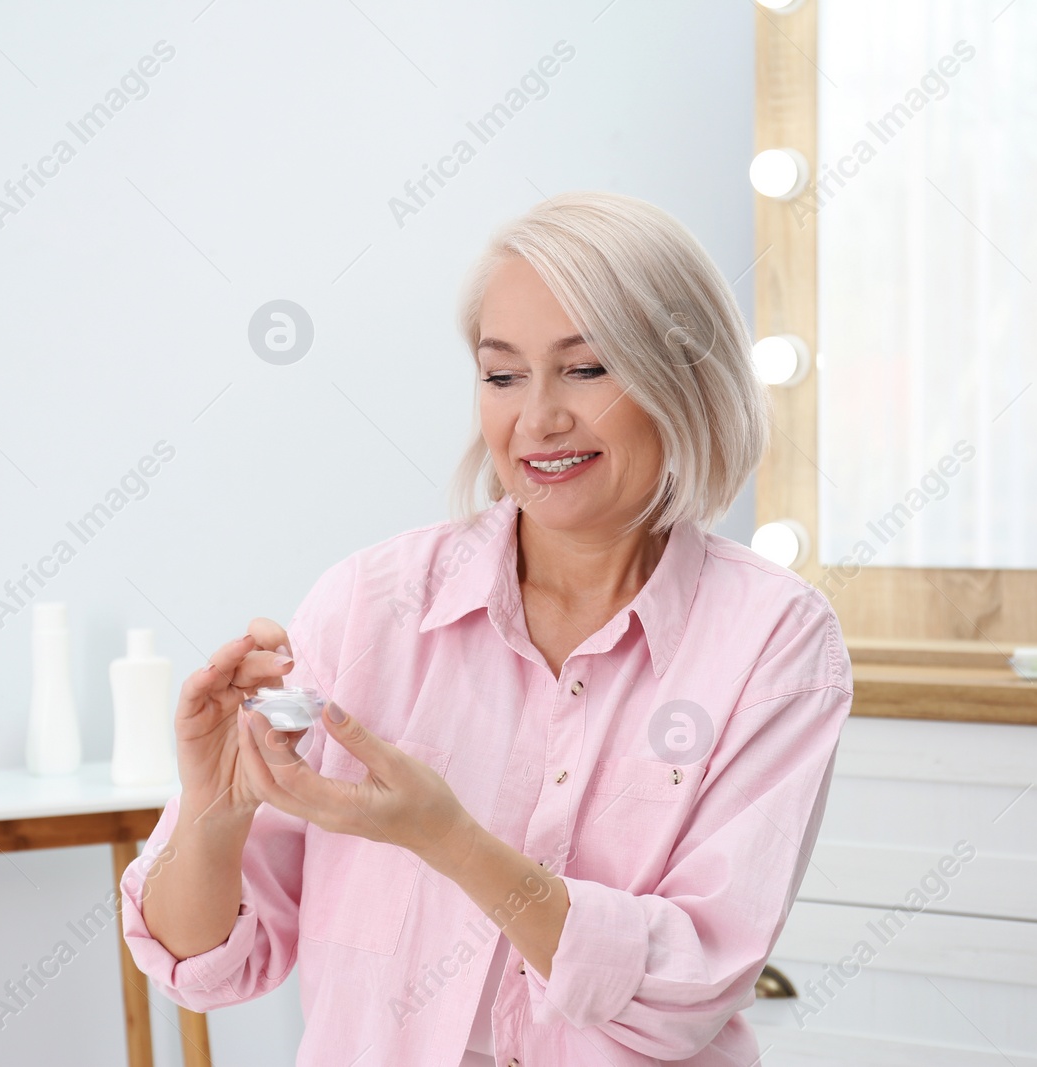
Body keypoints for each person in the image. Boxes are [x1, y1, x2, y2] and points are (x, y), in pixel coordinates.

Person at [118, 190, 853, 1065]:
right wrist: (211, 806)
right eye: (502, 374)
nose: (537, 418)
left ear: (683, 378)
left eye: (586, 369)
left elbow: (684, 990)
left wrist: (447, 837)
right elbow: (205, 966)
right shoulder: (369, 604)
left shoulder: (773, 641)